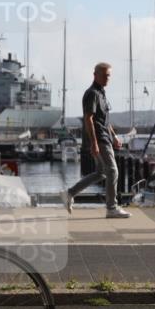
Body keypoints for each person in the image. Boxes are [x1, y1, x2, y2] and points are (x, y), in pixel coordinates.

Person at [61, 62, 131, 218]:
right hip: (99, 139)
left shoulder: (101, 93)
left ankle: (70, 193)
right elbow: (89, 119)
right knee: (112, 170)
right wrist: (93, 143)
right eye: (105, 75)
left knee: (101, 173)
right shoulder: (92, 93)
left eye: (109, 75)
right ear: (96, 75)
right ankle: (111, 208)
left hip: (105, 137)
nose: (108, 78)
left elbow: (105, 120)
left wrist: (114, 136)